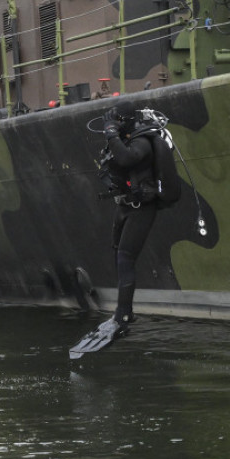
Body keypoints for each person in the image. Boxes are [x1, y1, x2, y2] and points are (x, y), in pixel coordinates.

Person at [101, 100, 160, 336]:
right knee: (117, 252)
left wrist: (111, 134)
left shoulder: (142, 142)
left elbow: (127, 159)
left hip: (142, 207)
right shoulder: (125, 139)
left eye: (117, 120)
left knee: (126, 257)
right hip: (125, 205)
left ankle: (124, 314)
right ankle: (123, 310)